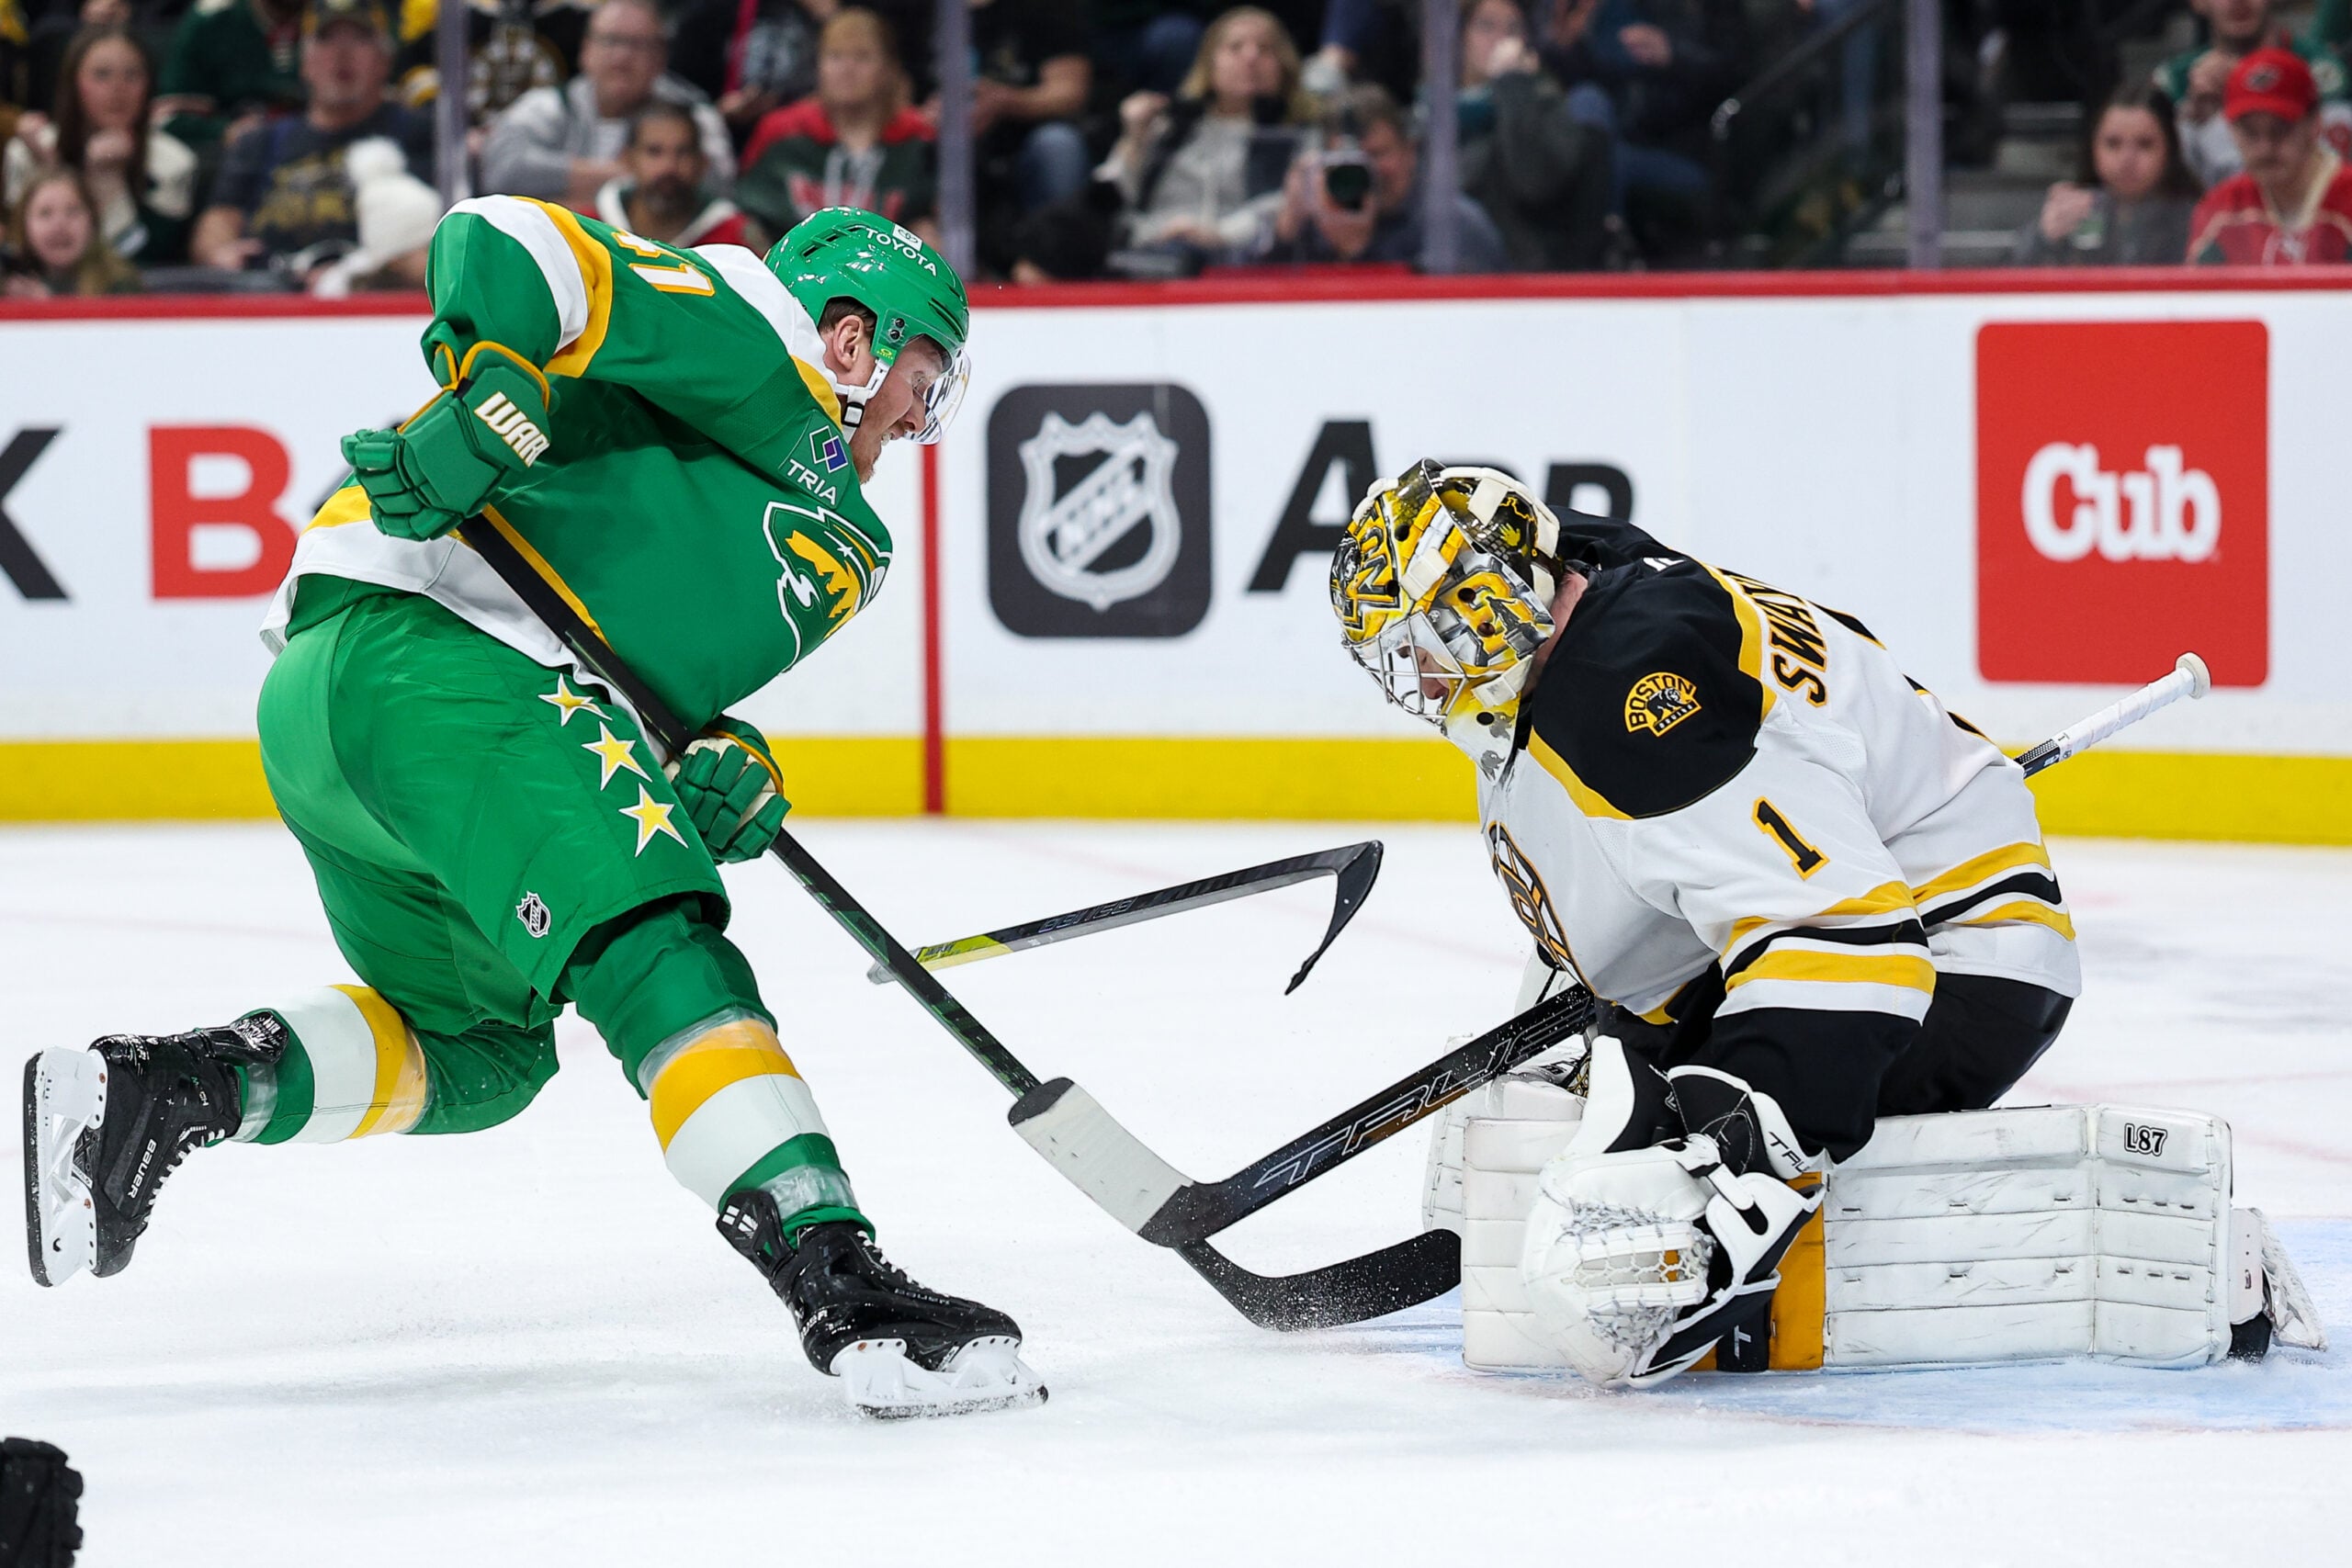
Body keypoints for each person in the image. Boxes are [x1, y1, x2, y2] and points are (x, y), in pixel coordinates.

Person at [21, 202, 1034, 1419]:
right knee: (658, 940)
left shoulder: (836, 535)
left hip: (352, 716)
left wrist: (719, 761)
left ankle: (159, 1090)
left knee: (479, 1050)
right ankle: (841, 1282)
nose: (922, 417)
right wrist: (494, 390)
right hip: (436, 655)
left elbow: (631, 683)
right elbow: (509, 238)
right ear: (853, 338)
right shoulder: (761, 335)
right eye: (921, 377)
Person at [1328, 462, 2080, 1385]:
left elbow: (1853, 945)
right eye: (1400, 653)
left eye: (1432, 638)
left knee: (1619, 1224)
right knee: (1566, 1133)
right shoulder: (1583, 595)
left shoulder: (1640, 700)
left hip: (1953, 963)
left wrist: (1736, 1167)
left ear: (1494, 597)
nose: (1426, 676)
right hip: (1790, 940)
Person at [190, 0, 435, 284]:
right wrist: (222, 252)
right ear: (304, 62)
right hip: (270, 298)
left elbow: (437, 238)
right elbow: (218, 222)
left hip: (372, 298)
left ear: (385, 60)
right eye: (326, 39)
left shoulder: (423, 135)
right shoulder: (261, 142)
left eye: (360, 38)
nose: (342, 54)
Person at [1101, 5, 1313, 265]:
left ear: (1284, 65)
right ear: (1209, 64)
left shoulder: (1299, 134)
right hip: (1152, 253)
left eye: (1265, 49)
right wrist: (1132, 139)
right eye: (1235, 47)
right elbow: (1108, 198)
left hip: (1247, 260)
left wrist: (1219, 235)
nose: (1250, 57)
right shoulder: (1169, 125)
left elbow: (1292, 203)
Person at [479, 0, 733, 211]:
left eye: (636, 44)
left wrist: (565, 199)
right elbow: (500, 171)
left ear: (660, 56)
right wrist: (631, 177)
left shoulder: (693, 114)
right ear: (585, 50)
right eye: (610, 41)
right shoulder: (550, 106)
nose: (621, 57)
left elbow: (718, 186)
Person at [3, 23, 198, 265]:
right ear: (73, 83)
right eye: (102, 75)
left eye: (132, 75)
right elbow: (17, 254)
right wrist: (50, 169)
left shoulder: (174, 163)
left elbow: (144, 268)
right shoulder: (26, 152)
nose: (118, 89)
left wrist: (109, 182)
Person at [1261, 84, 1507, 270]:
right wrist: (1285, 232)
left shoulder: (1452, 225)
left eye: (1377, 154)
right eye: (1350, 159)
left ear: (1409, 152)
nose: (1367, 171)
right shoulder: (1313, 220)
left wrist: (1357, 251)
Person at [736, 6, 933, 241]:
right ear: (818, 65)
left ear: (889, 68)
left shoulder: (920, 137)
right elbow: (746, 212)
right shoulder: (781, 130)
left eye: (862, 57)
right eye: (835, 56)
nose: (846, 70)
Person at [1454, 0, 1612, 270]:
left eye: (1513, 30)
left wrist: (1512, 84)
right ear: (1462, 39)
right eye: (1486, 26)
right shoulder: (1436, 113)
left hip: (1529, 282)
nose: (1501, 39)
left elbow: (1532, 182)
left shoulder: (1550, 107)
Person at [2156, 0, 2349, 188]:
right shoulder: (2176, 79)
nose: (2238, 2)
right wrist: (2193, 121)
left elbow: (2335, 164)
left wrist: (2247, 89)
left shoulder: (2317, 67)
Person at [2189, 48, 2352, 265]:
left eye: (2280, 129)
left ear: (2315, 123)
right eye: (2250, 132)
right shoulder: (2221, 209)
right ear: (2230, 130)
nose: (2264, 148)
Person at [2014, 84, 2199, 266]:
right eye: (2113, 144)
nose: (2127, 159)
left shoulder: (2200, 220)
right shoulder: (2070, 213)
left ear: (2170, 149)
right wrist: (2043, 239)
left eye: (2144, 144)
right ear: (2093, 147)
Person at [391, 0, 600, 131]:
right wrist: (450, 121)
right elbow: (409, 68)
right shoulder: (461, 15)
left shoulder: (583, 17)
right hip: (471, 147)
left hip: (554, 146)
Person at [670, 0, 839, 145]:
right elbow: (678, 95)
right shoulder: (710, 13)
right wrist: (718, 114)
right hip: (730, 144)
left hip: (812, 141)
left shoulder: (822, 9)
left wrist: (830, 15)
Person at [594, 99, 751, 248]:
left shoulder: (736, 239)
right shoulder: (589, 230)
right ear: (627, 159)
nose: (668, 167)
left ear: (702, 163)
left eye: (683, 152)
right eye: (654, 152)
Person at [155, 0, 307, 152]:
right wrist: (223, 130)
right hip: (234, 154)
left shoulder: (326, 13)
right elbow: (168, 116)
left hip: (320, 144)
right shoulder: (212, 17)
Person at [4, 164, 140, 292]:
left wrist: (48, 308)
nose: (59, 226)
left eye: (72, 212)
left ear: (92, 220)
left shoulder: (120, 284)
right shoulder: (7, 281)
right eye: (45, 213)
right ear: (23, 223)